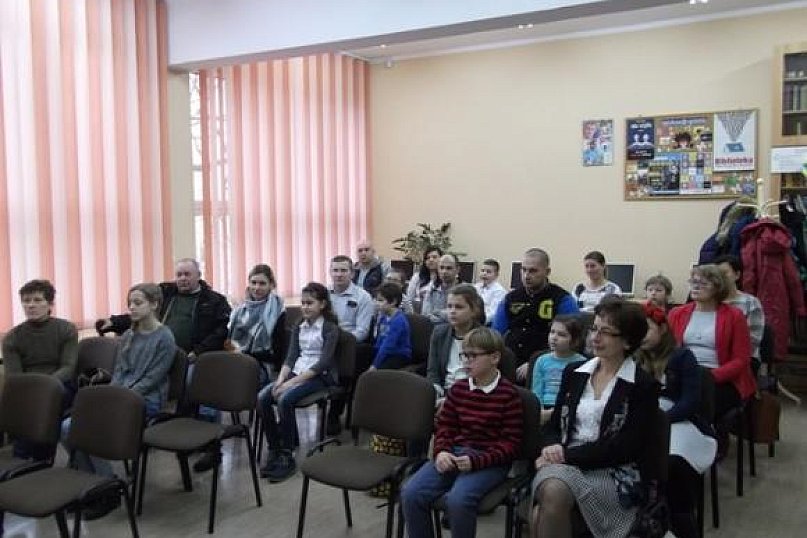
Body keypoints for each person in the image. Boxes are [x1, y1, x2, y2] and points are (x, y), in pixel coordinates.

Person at [530, 298, 659, 538]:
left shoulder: (642, 385)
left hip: (613, 471)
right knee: (553, 492)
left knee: (544, 507)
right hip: (564, 462)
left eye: (606, 332)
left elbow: (626, 447)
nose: (595, 337)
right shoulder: (575, 373)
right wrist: (549, 448)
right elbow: (554, 426)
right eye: (594, 329)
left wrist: (564, 456)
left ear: (627, 341)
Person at [99, 258, 230, 473]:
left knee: (196, 384)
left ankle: (210, 445)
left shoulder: (213, 300)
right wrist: (114, 322)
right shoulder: (166, 293)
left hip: (196, 356)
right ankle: (171, 432)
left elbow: (220, 332)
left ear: (198, 275)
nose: (182, 279)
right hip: (160, 352)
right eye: (179, 274)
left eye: (187, 274)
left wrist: (197, 352)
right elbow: (140, 311)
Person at [64, 283, 176, 519]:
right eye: (130, 303)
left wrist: (119, 399)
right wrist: (111, 396)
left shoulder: (165, 337)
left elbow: (152, 379)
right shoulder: (128, 335)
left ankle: (107, 492)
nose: (132, 308)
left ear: (154, 304)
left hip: (145, 401)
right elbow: (120, 372)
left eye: (138, 303)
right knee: (67, 428)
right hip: (120, 396)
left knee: (91, 428)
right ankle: (102, 484)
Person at [401, 327, 523, 538]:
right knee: (411, 493)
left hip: (489, 461)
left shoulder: (508, 395)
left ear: (494, 357)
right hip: (454, 453)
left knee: (458, 500)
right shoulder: (458, 390)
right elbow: (445, 428)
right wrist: (441, 452)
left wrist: (477, 461)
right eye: (464, 355)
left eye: (473, 356)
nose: (466, 361)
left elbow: (511, 445)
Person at [635, 302, 716, 538]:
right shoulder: (633, 357)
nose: (641, 336)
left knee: (673, 463)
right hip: (645, 419)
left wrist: (660, 421)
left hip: (681, 421)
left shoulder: (682, 357)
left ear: (662, 329)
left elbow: (689, 402)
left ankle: (680, 520)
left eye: (647, 329)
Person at [258, 282, 339, 483]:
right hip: (298, 371)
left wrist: (289, 385)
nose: (305, 307)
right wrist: (280, 380)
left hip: (320, 376)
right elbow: (291, 356)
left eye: (310, 303)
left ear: (322, 305)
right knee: (263, 397)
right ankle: (274, 448)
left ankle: (288, 454)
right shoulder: (299, 325)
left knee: (285, 400)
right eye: (303, 303)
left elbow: (322, 364)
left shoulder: (330, 329)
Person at [668, 265, 756, 436]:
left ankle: (704, 438)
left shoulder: (734, 316)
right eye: (693, 282)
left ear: (718, 287)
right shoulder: (676, 313)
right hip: (684, 374)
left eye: (703, 283)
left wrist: (710, 376)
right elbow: (667, 349)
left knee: (699, 392)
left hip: (722, 378)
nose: (695, 286)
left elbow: (741, 359)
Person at [2, 279, 78, 460]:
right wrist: (33, 391)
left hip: (59, 385)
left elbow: (68, 367)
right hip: (26, 389)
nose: (31, 305)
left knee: (45, 405)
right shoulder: (13, 337)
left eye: (37, 300)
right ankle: (21, 460)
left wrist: (45, 387)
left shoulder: (66, 329)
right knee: (24, 404)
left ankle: (41, 461)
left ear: (50, 303)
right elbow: (14, 377)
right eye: (26, 301)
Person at [492, 248, 579, 380]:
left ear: (547, 272)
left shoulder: (562, 299)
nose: (526, 275)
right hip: (510, 362)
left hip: (549, 363)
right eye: (524, 269)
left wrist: (536, 362)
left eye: (533, 271)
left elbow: (573, 339)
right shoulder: (510, 298)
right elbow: (495, 335)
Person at [327, 255, 374, 433]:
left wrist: (339, 341)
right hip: (325, 340)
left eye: (343, 270)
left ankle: (334, 412)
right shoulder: (324, 294)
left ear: (352, 273)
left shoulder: (363, 297)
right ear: (330, 272)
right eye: (335, 270)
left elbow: (362, 331)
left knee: (351, 355)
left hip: (350, 343)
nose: (339, 275)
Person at [227, 264, 287, 379]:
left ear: (271, 285)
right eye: (253, 282)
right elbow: (229, 341)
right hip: (235, 360)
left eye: (262, 283)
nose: (257, 288)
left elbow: (277, 350)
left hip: (263, 364)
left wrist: (246, 356)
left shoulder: (277, 310)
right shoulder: (240, 310)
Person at [426, 284, 485, 400]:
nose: (452, 311)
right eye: (449, 306)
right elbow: (433, 371)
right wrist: (436, 392)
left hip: (470, 394)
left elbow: (482, 378)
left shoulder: (483, 337)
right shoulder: (439, 333)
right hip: (444, 391)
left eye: (459, 307)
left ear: (474, 311)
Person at [530, 315, 586, 423]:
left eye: (562, 335)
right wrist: (540, 410)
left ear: (575, 341)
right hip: (545, 406)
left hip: (568, 407)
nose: (554, 337)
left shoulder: (582, 362)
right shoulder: (541, 361)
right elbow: (537, 390)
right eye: (552, 332)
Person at [713, 255, 765, 369]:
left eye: (724, 273)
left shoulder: (750, 302)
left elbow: (752, 340)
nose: (720, 278)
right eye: (716, 275)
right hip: (711, 357)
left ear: (737, 275)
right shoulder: (710, 302)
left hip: (743, 359)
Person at [370, 282, 412, 370]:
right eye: (376, 300)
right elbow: (380, 340)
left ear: (393, 302)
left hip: (398, 354)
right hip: (386, 350)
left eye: (380, 300)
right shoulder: (383, 316)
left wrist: (375, 365)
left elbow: (388, 345)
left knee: (381, 369)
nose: (376, 303)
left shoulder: (398, 321)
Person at [422, 254, 461, 324]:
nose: (444, 271)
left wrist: (436, 312)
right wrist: (445, 315)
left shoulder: (465, 290)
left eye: (449, 268)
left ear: (457, 270)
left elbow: (459, 317)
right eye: (441, 268)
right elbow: (425, 315)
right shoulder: (432, 289)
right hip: (432, 329)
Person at [406, 245, 443, 313]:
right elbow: (409, 300)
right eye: (427, 258)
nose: (431, 260)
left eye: (434, 257)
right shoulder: (417, 277)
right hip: (417, 315)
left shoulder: (444, 278)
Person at [474, 258, 507, 325]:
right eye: (482, 271)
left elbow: (493, 313)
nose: (484, 274)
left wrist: (477, 321)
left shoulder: (499, 291)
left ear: (496, 275)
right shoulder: (475, 287)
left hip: (487, 324)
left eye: (488, 272)